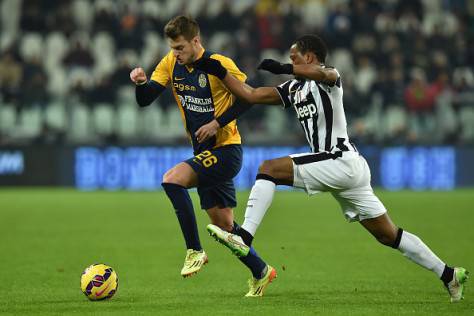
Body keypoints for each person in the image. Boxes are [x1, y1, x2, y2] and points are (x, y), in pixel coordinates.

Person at [192, 34, 469, 302]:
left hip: (340, 160)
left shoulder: (328, 78)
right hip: (343, 169)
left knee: (269, 168)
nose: (290, 62)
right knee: (388, 234)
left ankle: (243, 236)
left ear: (309, 57)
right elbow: (251, 95)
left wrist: (285, 68)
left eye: (294, 58)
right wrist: (217, 70)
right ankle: (448, 274)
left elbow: (325, 75)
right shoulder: (294, 88)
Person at [129, 15, 276, 296]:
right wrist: (140, 83)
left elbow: (248, 98)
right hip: (204, 153)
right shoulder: (171, 63)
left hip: (226, 150)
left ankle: (194, 250)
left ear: (196, 41)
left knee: (172, 180)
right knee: (225, 226)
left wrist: (216, 123)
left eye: (180, 47)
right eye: (172, 48)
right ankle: (261, 270)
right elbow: (146, 99)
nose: (176, 53)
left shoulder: (219, 64)